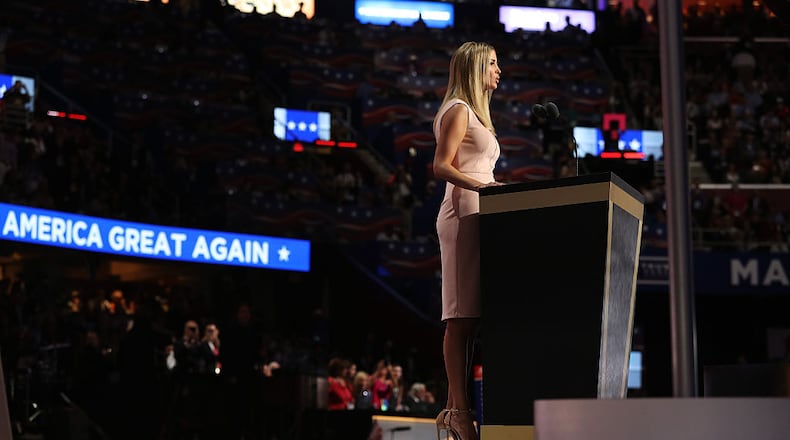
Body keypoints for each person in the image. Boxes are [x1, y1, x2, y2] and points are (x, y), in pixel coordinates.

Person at [431, 41, 502, 440]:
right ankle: (459, 412)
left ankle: (455, 408)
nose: (498, 70)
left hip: (480, 214)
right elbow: (441, 165)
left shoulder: (476, 114)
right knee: (459, 319)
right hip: (462, 215)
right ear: (475, 68)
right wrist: (485, 186)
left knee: (471, 319)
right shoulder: (458, 110)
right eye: (492, 63)